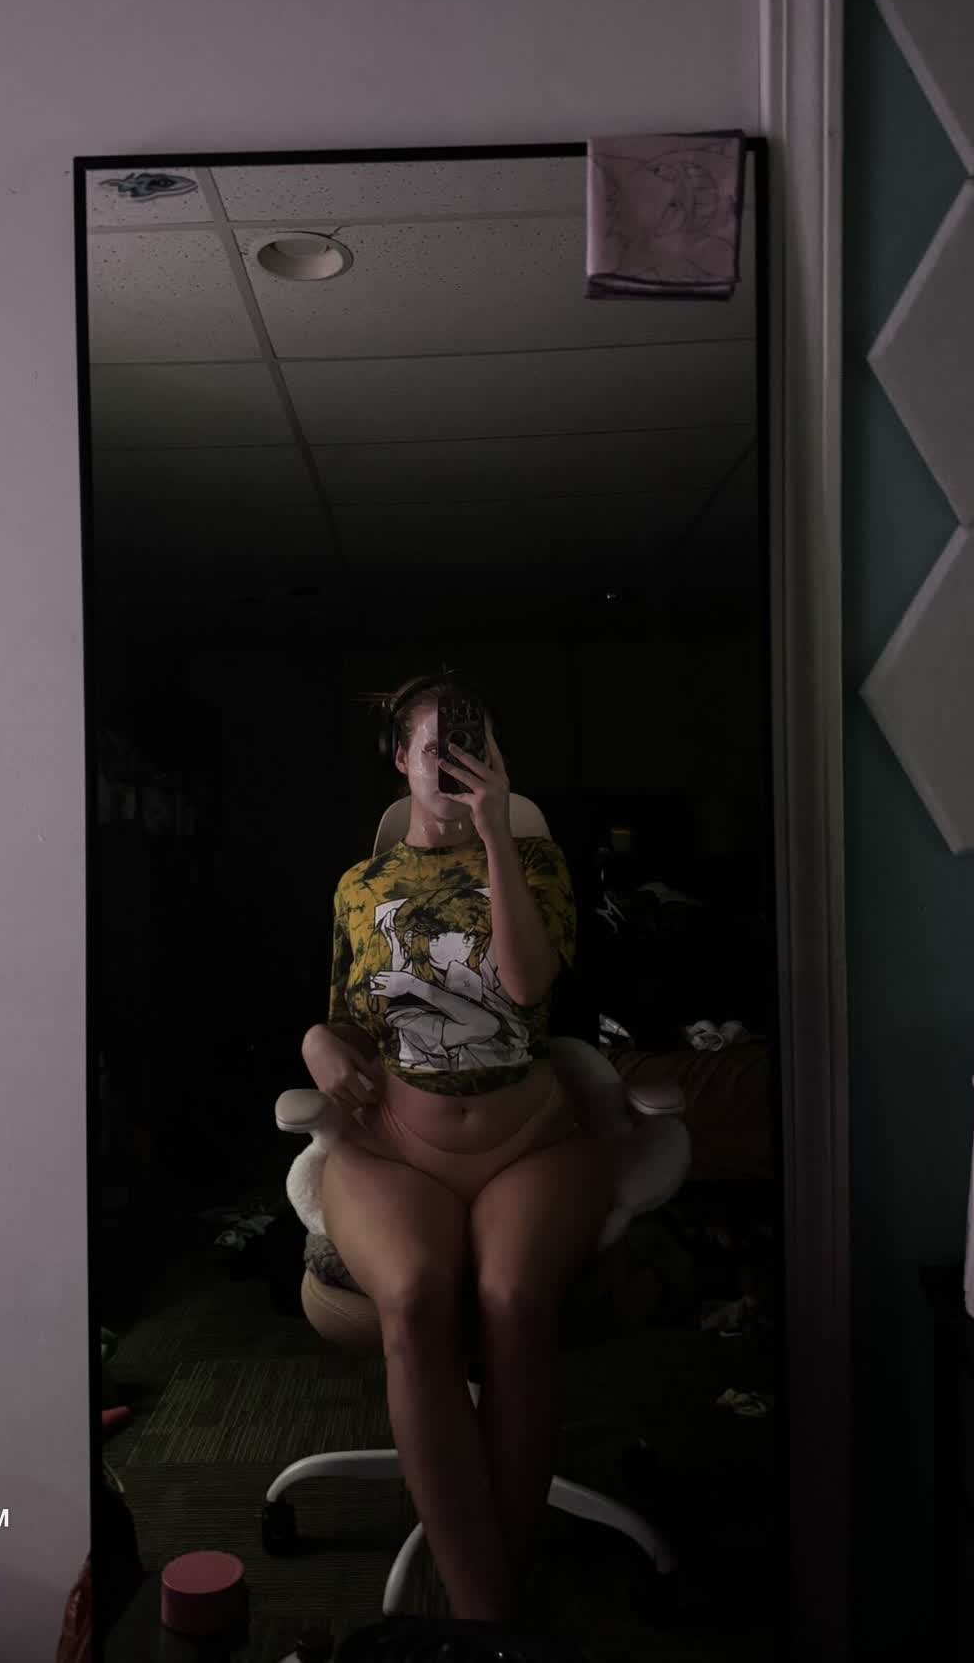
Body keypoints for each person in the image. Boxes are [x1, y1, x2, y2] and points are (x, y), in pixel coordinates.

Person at [300, 676, 615, 1623]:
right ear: (400, 760)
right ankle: (491, 1617)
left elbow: (524, 987)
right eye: (433, 746)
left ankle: (489, 1610)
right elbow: (347, 1022)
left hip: (529, 1144)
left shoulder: (536, 861)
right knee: (412, 1298)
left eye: (470, 743)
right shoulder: (359, 887)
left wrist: (495, 837)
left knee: (513, 1300)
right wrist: (314, 1044)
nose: (451, 763)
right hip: (398, 1148)